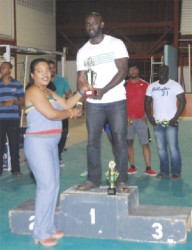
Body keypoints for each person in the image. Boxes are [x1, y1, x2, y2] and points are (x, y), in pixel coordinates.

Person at [24, 58, 86, 247]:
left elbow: (67, 104)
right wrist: (71, 114)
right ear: (33, 75)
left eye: (47, 71)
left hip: (51, 144)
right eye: (40, 71)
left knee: (54, 185)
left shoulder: (49, 91)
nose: (45, 74)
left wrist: (82, 91)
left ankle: (48, 226)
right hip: (38, 144)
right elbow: (51, 114)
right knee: (47, 186)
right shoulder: (33, 91)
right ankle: (40, 232)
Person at [76, 12, 129, 192]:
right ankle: (93, 179)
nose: (90, 26)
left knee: (119, 140)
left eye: (94, 23)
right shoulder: (83, 51)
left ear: (102, 24)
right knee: (92, 141)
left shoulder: (115, 44)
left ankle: (122, 180)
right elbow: (80, 79)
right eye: (87, 24)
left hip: (116, 101)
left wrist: (103, 90)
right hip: (94, 104)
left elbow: (123, 71)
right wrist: (86, 88)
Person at [145, 64, 186, 180]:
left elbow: (183, 102)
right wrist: (150, 117)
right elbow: (146, 102)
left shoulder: (175, 85)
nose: (162, 72)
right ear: (157, 72)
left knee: (173, 148)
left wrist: (175, 118)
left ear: (168, 72)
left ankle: (176, 172)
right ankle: (164, 171)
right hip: (157, 124)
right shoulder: (152, 86)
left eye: (164, 70)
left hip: (171, 123)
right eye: (160, 70)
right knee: (161, 149)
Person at [125, 64, 156, 176]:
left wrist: (147, 115)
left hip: (141, 120)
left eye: (134, 69)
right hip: (128, 120)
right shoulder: (124, 85)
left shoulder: (146, 85)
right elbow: (121, 103)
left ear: (138, 71)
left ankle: (148, 168)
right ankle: (132, 167)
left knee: (145, 144)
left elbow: (150, 102)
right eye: (130, 69)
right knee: (129, 143)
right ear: (128, 72)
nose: (133, 71)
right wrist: (126, 117)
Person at [0, 61, 24, 176]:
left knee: (14, 144)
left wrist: (14, 101)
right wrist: (3, 103)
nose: (2, 69)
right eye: (1, 67)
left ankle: (16, 170)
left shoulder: (17, 84)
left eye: (4, 67)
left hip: (13, 119)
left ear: (10, 69)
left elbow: (23, 100)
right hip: (0, 119)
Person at [48, 60, 72, 166]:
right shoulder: (44, 81)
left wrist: (70, 101)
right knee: (51, 134)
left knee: (63, 134)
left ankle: (58, 155)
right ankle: (50, 156)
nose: (52, 70)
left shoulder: (61, 80)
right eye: (49, 67)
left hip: (62, 111)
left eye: (53, 67)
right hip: (48, 111)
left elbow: (69, 93)